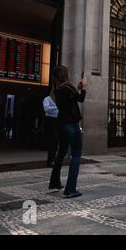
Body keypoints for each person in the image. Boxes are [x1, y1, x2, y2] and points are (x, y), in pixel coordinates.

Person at [49, 66, 87, 199]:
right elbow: (80, 99)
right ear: (65, 75)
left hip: (61, 125)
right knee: (76, 154)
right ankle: (70, 189)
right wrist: (84, 87)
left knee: (61, 154)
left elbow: (70, 99)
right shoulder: (68, 87)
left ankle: (54, 183)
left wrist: (77, 88)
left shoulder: (58, 89)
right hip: (71, 124)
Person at [43, 90, 59, 167]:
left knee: (56, 141)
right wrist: (56, 107)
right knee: (52, 140)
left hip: (57, 120)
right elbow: (46, 109)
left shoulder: (58, 100)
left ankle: (54, 159)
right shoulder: (47, 99)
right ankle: (50, 160)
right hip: (50, 120)